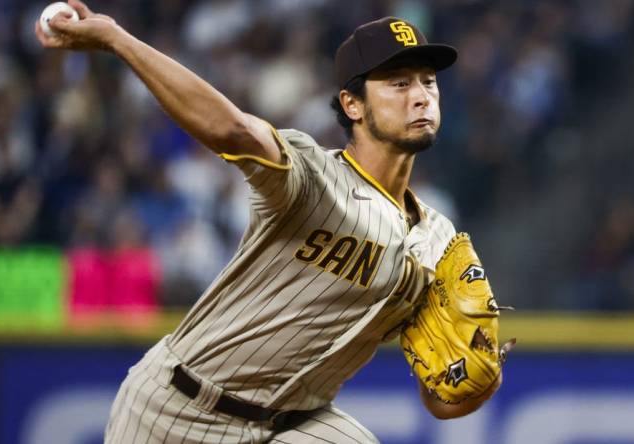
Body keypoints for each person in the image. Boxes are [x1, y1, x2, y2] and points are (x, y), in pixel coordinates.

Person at [36, 1, 503, 442]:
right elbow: (234, 130)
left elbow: (439, 395)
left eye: (428, 81)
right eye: (399, 84)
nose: (421, 96)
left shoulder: (439, 239)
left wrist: (469, 386)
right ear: (353, 105)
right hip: (179, 407)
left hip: (293, 424)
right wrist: (117, 39)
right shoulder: (312, 176)